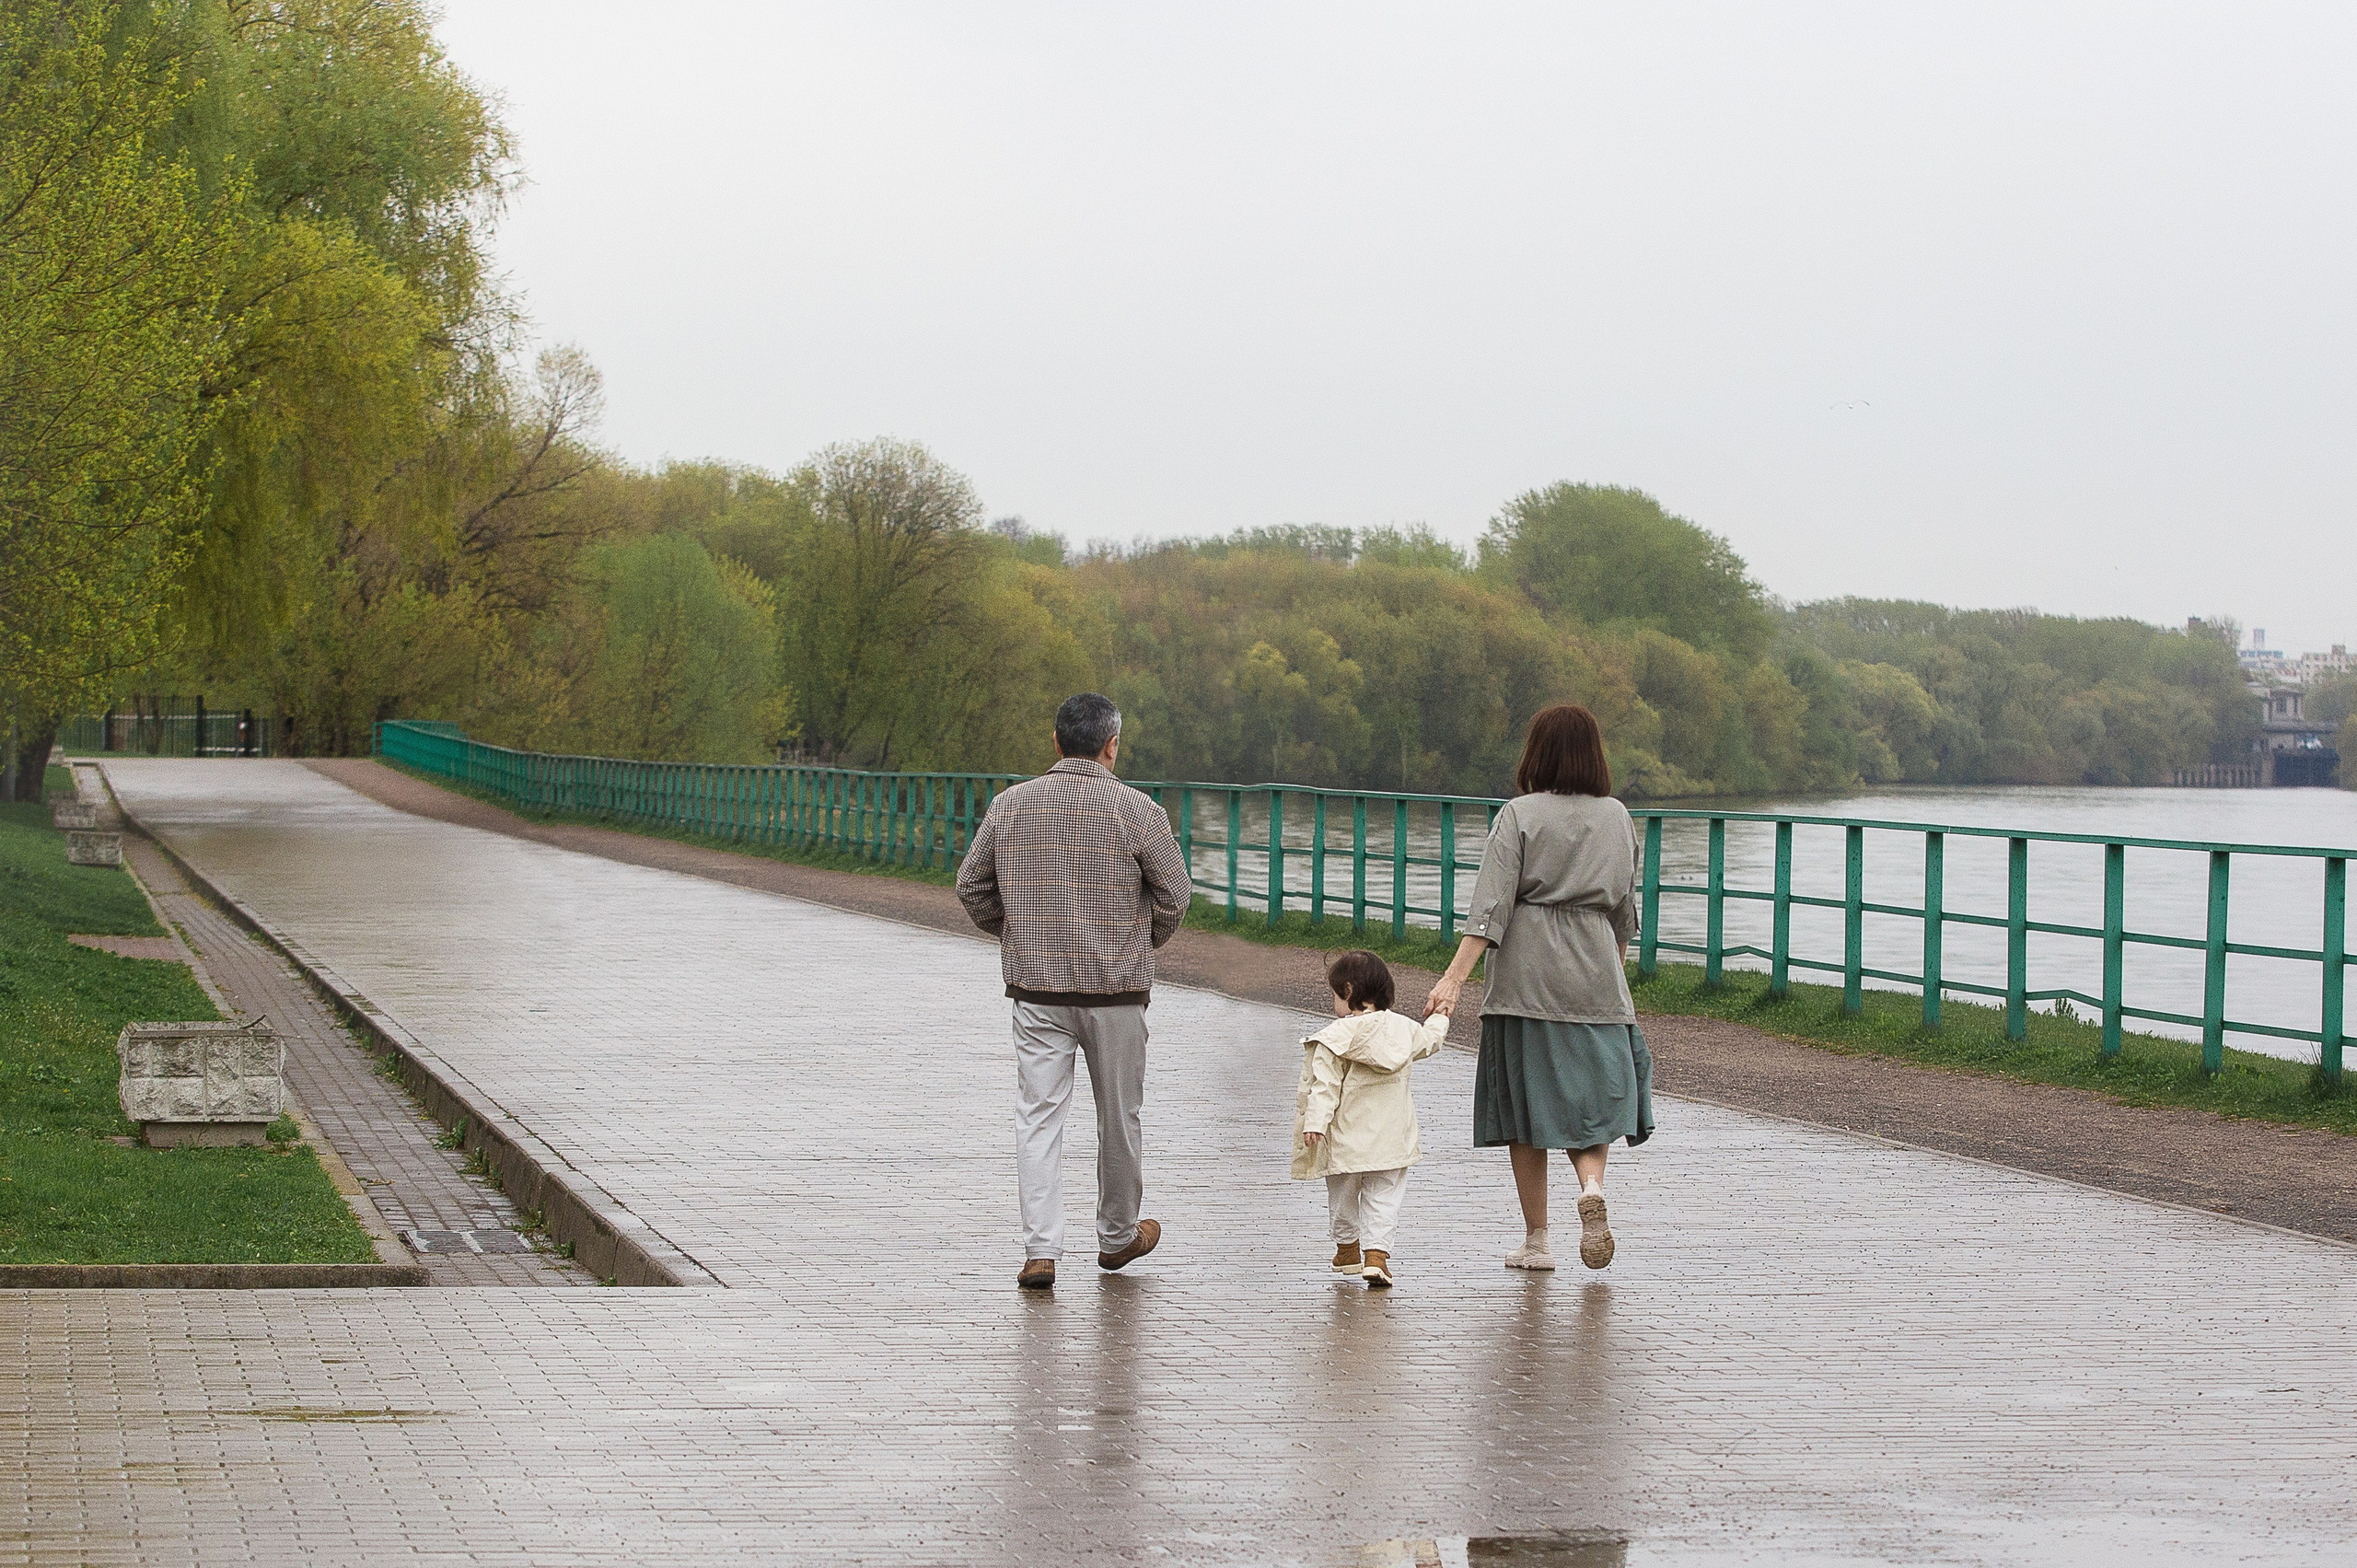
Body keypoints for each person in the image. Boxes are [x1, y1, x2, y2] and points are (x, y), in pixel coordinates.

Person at [956, 692, 1194, 1290]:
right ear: (1112, 745)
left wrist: (1018, 934)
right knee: (1119, 1117)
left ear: (1057, 741)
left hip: (1037, 991)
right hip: (1116, 992)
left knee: (1038, 1117)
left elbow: (972, 887)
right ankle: (1117, 1235)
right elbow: (1175, 894)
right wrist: (1141, 943)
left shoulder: (1011, 805)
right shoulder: (1139, 810)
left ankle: (1041, 1250)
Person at [1423, 703, 1653, 1272]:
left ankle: (1538, 1241)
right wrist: (1613, 977)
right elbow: (1626, 913)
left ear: (1537, 753)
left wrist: (1452, 980)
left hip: (1526, 978)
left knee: (1524, 1108)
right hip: (1597, 974)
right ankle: (1591, 1187)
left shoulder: (1519, 814)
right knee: (1592, 1100)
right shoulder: (1618, 817)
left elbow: (1490, 908)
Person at [1293, 949, 1451, 1288]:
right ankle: (1377, 1257)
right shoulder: (1404, 1029)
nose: (1334, 1003)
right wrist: (1440, 1015)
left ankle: (1347, 1249)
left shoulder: (1336, 1037)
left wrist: (1316, 1123)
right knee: (1385, 1195)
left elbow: (1324, 1086)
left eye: (1335, 995)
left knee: (1343, 1193)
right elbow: (1432, 1040)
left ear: (1349, 991)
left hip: (1347, 1137)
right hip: (1392, 1137)